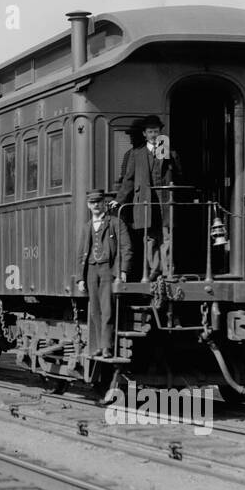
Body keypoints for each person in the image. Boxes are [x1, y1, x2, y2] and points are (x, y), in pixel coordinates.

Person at [77, 189, 133, 399]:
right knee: (96, 311)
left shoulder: (115, 223)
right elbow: (81, 252)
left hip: (108, 270)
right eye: (92, 203)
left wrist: (123, 271)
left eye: (99, 202)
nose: (96, 206)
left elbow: (126, 248)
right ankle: (100, 347)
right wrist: (80, 278)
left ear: (104, 204)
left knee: (108, 309)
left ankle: (107, 347)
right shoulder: (86, 228)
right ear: (88, 206)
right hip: (92, 269)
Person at [117, 115, 180, 280]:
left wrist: (168, 156)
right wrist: (119, 200)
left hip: (165, 201)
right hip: (145, 201)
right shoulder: (136, 154)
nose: (154, 134)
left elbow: (179, 174)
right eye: (150, 131)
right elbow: (128, 180)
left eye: (157, 131)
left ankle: (167, 270)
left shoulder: (167, 150)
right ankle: (155, 269)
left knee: (166, 236)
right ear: (144, 133)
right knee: (150, 237)